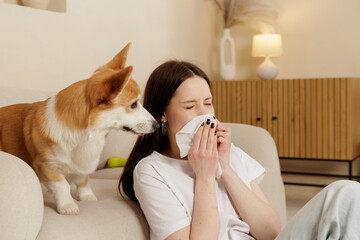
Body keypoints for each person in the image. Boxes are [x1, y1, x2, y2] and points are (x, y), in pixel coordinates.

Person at [119, 60, 360, 240]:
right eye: (190, 106)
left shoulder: (231, 154)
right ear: (163, 114)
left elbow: (271, 231)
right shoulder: (151, 171)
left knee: (347, 192)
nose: (205, 115)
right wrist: (204, 176)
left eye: (208, 102)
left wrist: (225, 168)